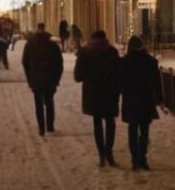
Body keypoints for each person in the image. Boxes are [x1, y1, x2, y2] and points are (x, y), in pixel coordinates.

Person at [74, 29, 121, 167]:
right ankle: (109, 152)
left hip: (92, 94)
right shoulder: (112, 52)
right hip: (110, 93)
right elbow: (118, 73)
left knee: (97, 124)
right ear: (105, 38)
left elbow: (78, 76)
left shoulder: (85, 52)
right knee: (110, 123)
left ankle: (101, 155)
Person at [120, 35, 163, 171]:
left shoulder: (125, 62)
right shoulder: (150, 62)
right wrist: (159, 98)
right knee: (144, 131)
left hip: (131, 100)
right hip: (146, 100)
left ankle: (134, 158)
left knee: (132, 129)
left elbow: (119, 82)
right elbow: (157, 82)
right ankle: (142, 158)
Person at [22, 23, 64, 137]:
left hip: (35, 78)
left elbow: (25, 62)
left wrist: (29, 78)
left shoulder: (29, 45)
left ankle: (41, 127)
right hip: (50, 78)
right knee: (49, 102)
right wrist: (56, 79)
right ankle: (50, 126)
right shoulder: (53, 46)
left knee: (38, 103)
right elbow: (59, 63)